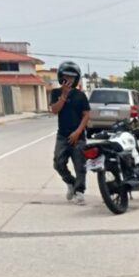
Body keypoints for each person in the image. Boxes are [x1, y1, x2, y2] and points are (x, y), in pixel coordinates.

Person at [49, 61, 90, 205]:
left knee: (80, 165)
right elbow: (55, 110)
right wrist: (64, 96)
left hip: (78, 136)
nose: (69, 80)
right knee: (58, 163)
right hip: (62, 135)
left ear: (76, 79)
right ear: (61, 77)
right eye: (66, 77)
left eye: (72, 77)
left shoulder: (81, 96)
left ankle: (79, 192)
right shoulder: (55, 93)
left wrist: (78, 132)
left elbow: (86, 115)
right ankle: (71, 183)